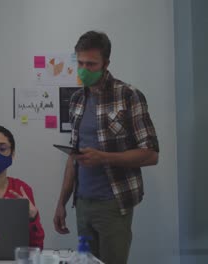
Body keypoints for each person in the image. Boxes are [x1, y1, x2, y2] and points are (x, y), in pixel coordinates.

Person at [53, 31, 159, 264]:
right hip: (82, 203)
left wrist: (104, 157)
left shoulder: (129, 96)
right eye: (80, 63)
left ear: (106, 64)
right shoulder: (76, 100)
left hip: (114, 203)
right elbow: (74, 157)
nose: (83, 70)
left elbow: (151, 154)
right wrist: (61, 202)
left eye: (91, 64)